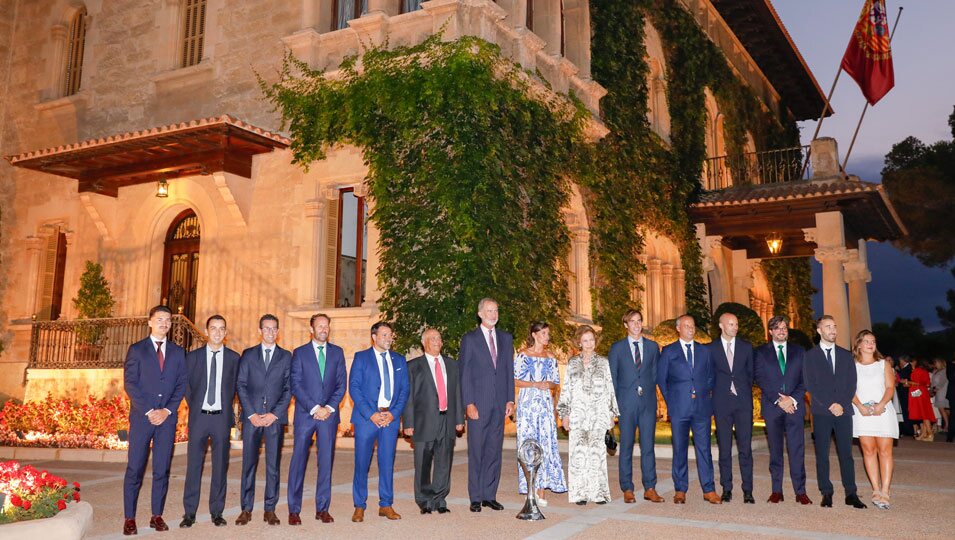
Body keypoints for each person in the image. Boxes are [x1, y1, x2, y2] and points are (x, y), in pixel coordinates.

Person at [122, 305, 187, 536]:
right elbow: (130, 383)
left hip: (167, 421)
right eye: (160, 319)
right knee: (135, 469)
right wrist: (150, 411)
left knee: (162, 469)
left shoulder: (179, 352)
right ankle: (129, 518)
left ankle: (156, 516)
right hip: (142, 418)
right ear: (150, 322)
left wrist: (167, 411)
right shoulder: (137, 350)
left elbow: (181, 385)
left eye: (168, 320)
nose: (164, 323)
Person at [180, 315, 240, 528]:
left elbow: (236, 388)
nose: (217, 332)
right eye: (213, 328)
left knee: (220, 467)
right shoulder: (193, 357)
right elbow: (186, 386)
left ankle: (217, 512)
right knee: (193, 466)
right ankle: (189, 513)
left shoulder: (234, 358)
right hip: (199, 417)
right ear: (206, 331)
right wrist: (196, 406)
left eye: (221, 328)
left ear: (225, 333)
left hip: (221, 419)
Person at [287, 313, 347, 524]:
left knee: (326, 462)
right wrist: (314, 408)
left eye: (326, 326)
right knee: (298, 462)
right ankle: (294, 510)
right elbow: (296, 384)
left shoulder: (337, 353)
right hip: (306, 415)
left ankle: (322, 508)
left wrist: (328, 408)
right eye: (319, 326)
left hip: (329, 417)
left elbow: (341, 384)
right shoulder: (300, 353)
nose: (324, 329)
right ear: (311, 329)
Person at [803, 316, 866, 509]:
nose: (833, 330)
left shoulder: (846, 355)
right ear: (819, 330)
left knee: (846, 454)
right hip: (822, 411)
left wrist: (842, 403)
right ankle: (826, 492)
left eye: (834, 326)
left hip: (844, 412)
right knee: (822, 453)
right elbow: (810, 384)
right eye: (828, 326)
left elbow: (851, 383)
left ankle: (851, 493)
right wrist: (831, 404)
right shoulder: (810, 356)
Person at [656, 314, 720, 505]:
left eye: (692, 325)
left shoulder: (704, 351)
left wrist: (703, 393)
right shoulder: (668, 351)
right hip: (679, 409)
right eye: (686, 326)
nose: (691, 329)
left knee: (704, 450)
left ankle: (709, 490)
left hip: (701, 409)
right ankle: (680, 490)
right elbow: (662, 379)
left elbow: (711, 377)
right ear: (678, 328)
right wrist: (672, 401)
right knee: (680, 449)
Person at [459, 297, 515, 512]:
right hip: (478, 405)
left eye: (496, 310)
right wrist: (468, 403)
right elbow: (464, 374)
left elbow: (508, 371)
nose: (493, 314)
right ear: (480, 313)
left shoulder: (506, 338)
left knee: (494, 451)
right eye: (489, 311)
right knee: (477, 451)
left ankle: (489, 495)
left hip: (500, 405)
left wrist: (510, 399)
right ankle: (475, 497)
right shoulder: (470, 340)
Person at [235, 314, 292, 526]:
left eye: (274, 329)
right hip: (252, 419)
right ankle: (246, 509)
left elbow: (288, 389)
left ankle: (270, 509)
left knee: (273, 466)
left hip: (274, 420)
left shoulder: (286, 357)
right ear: (260, 331)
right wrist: (251, 413)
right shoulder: (248, 355)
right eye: (266, 329)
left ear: (278, 331)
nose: (270, 332)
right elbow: (240, 385)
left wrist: (274, 414)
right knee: (248, 464)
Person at [349, 321, 409, 522]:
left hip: (390, 419)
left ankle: (386, 504)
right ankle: (359, 505)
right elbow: (355, 388)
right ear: (374, 337)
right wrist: (371, 414)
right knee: (361, 463)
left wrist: (393, 413)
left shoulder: (399, 360)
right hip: (367, 419)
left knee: (386, 462)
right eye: (384, 335)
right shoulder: (361, 357)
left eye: (390, 335)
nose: (388, 338)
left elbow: (404, 390)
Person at [403, 328, 464, 514]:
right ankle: (424, 500)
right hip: (423, 422)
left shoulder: (452, 365)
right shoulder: (413, 366)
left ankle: (439, 499)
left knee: (444, 462)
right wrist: (408, 423)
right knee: (423, 462)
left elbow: (457, 393)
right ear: (424, 342)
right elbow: (408, 397)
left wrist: (460, 419)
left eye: (439, 338)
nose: (437, 341)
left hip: (447, 420)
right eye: (432, 338)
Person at [557, 325, 619, 505]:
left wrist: (611, 414)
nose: (589, 343)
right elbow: (566, 389)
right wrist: (564, 414)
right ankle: (580, 494)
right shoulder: (572, 363)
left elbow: (609, 389)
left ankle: (598, 493)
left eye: (591, 340)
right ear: (579, 342)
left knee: (596, 453)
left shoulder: (603, 362)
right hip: (577, 414)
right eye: (585, 340)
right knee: (578, 454)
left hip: (598, 414)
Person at [608, 309, 664, 504]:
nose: (636, 324)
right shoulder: (617, 348)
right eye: (632, 321)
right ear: (626, 325)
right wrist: (612, 407)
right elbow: (613, 379)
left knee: (648, 446)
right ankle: (628, 488)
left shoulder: (652, 347)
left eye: (639, 321)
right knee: (627, 446)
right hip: (626, 404)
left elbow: (656, 376)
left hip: (647, 403)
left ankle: (650, 487)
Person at [754, 315, 811, 505]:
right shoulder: (761, 352)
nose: (782, 331)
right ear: (770, 332)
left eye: (784, 328)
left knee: (797, 450)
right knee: (776, 451)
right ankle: (776, 490)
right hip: (773, 407)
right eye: (777, 328)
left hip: (794, 407)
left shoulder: (799, 351)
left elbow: (805, 380)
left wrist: (792, 399)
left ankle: (800, 491)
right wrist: (780, 400)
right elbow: (761, 379)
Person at [514, 321, 566, 506]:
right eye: (543, 333)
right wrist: (534, 384)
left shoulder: (551, 357)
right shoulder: (523, 355)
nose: (547, 336)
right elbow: (516, 380)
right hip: (528, 405)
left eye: (547, 333)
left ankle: (542, 489)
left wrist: (548, 385)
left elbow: (555, 382)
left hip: (544, 405)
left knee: (545, 443)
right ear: (534, 334)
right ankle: (530, 486)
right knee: (529, 444)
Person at [708, 312, 755, 504]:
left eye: (736, 324)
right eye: (731, 324)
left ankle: (748, 490)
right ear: (721, 326)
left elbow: (750, 374)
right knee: (724, 448)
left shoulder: (746, 347)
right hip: (722, 404)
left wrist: (742, 392)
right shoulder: (711, 349)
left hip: (743, 403)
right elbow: (709, 375)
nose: (735, 327)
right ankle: (726, 488)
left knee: (745, 449)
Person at [851, 330, 898, 510]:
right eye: (867, 341)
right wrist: (860, 406)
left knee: (885, 451)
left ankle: (885, 491)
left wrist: (881, 404)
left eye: (873, 341)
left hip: (883, 411)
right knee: (868, 451)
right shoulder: (852, 365)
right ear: (859, 345)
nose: (871, 344)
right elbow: (849, 389)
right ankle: (876, 489)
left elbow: (890, 387)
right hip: (862, 412)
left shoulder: (883, 364)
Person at [907, 358, 937, 441]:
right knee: (925, 412)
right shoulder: (925, 372)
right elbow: (927, 383)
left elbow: (915, 382)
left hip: (918, 393)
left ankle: (930, 434)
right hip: (924, 392)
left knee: (923, 414)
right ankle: (924, 434)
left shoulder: (917, 371)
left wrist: (908, 382)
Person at [896, 356, 915, 437]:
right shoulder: (905, 368)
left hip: (905, 393)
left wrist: (898, 377)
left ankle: (909, 429)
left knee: (907, 411)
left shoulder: (907, 368)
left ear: (902, 360)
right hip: (904, 392)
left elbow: (905, 380)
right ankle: (908, 428)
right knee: (906, 411)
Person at [930, 358, 949, 434]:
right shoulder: (935, 371)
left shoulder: (944, 371)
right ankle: (947, 425)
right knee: (943, 410)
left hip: (942, 391)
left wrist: (936, 389)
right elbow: (933, 382)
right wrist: (931, 389)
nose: (935, 364)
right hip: (936, 391)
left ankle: (947, 426)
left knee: (942, 409)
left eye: (936, 362)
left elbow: (942, 381)